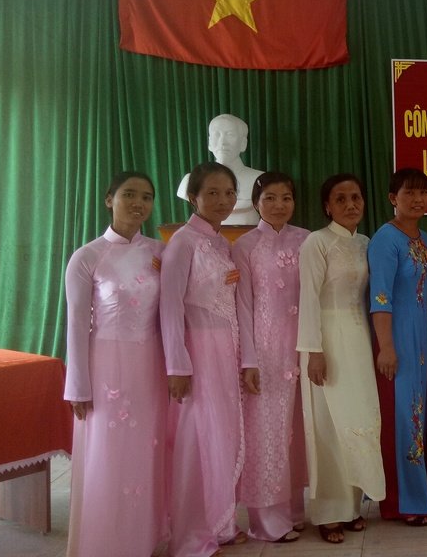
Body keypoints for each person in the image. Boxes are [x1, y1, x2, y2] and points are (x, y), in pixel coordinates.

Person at [64, 172, 167, 557]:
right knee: (107, 455)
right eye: (129, 195)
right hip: (106, 365)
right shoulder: (88, 256)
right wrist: (77, 386)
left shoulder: (160, 252)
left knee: (147, 451)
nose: (138, 203)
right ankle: (107, 543)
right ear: (110, 199)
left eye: (147, 197)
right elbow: (76, 324)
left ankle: (144, 538)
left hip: (151, 363)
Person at [161, 161, 260, 557]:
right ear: (193, 197)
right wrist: (177, 365)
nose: (223, 200)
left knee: (222, 437)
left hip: (226, 351)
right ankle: (189, 537)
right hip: (197, 352)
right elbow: (170, 308)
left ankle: (219, 524)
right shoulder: (182, 242)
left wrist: (246, 358)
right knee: (196, 441)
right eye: (213, 193)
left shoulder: (221, 243)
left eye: (229, 193)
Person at [296, 174, 385, 544]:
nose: (351, 205)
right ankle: (328, 512)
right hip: (326, 339)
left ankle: (351, 507)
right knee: (328, 423)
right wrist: (313, 351)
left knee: (357, 419)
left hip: (359, 338)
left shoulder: (365, 243)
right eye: (341, 199)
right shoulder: (317, 242)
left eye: (356, 197)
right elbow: (308, 298)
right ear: (327, 206)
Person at [231, 172, 310, 543]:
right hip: (265, 351)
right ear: (256, 203)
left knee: (296, 432)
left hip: (302, 348)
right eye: (270, 198)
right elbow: (243, 307)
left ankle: (294, 510)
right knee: (267, 433)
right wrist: (248, 360)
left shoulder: (306, 239)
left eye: (286, 198)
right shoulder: (245, 246)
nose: (279, 205)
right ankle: (267, 521)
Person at [369, 168, 427, 527]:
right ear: (393, 198)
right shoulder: (385, 239)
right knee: (402, 418)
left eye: (423, 193)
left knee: (417, 415)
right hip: (395, 336)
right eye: (409, 193)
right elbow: (380, 297)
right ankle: (403, 503)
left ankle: (418, 494)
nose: (417, 199)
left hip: (421, 336)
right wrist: (386, 347)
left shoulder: (424, 238)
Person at [176, 114, 264, 225]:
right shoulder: (190, 181)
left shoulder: (261, 180)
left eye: (230, 135)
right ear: (209, 142)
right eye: (217, 134)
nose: (222, 142)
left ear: (243, 143)